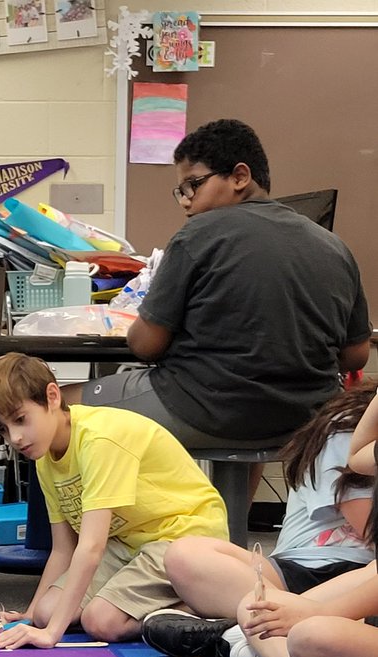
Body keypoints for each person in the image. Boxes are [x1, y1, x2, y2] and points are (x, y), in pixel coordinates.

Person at [74, 119, 371, 450]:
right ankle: (236, 506)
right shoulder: (334, 246)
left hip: (202, 410)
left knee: (49, 407)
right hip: (304, 421)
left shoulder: (198, 235)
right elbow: (356, 354)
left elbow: (145, 345)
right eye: (180, 191)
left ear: (240, 177)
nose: (186, 200)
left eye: (193, 185)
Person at [0, 352, 229, 648]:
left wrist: (51, 634)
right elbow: (63, 549)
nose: (15, 438)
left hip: (180, 536)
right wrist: (29, 617)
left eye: (20, 420)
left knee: (101, 621)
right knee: (47, 611)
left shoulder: (98, 439)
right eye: (4, 429)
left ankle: (204, 603)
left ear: (53, 396)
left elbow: (92, 547)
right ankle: (160, 602)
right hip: (128, 543)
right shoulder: (43, 455)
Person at [141, 383, 376, 657]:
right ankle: (266, 632)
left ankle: (244, 639)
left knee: (267, 611)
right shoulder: (348, 426)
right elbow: (366, 516)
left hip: (364, 574)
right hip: (305, 567)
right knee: (185, 554)